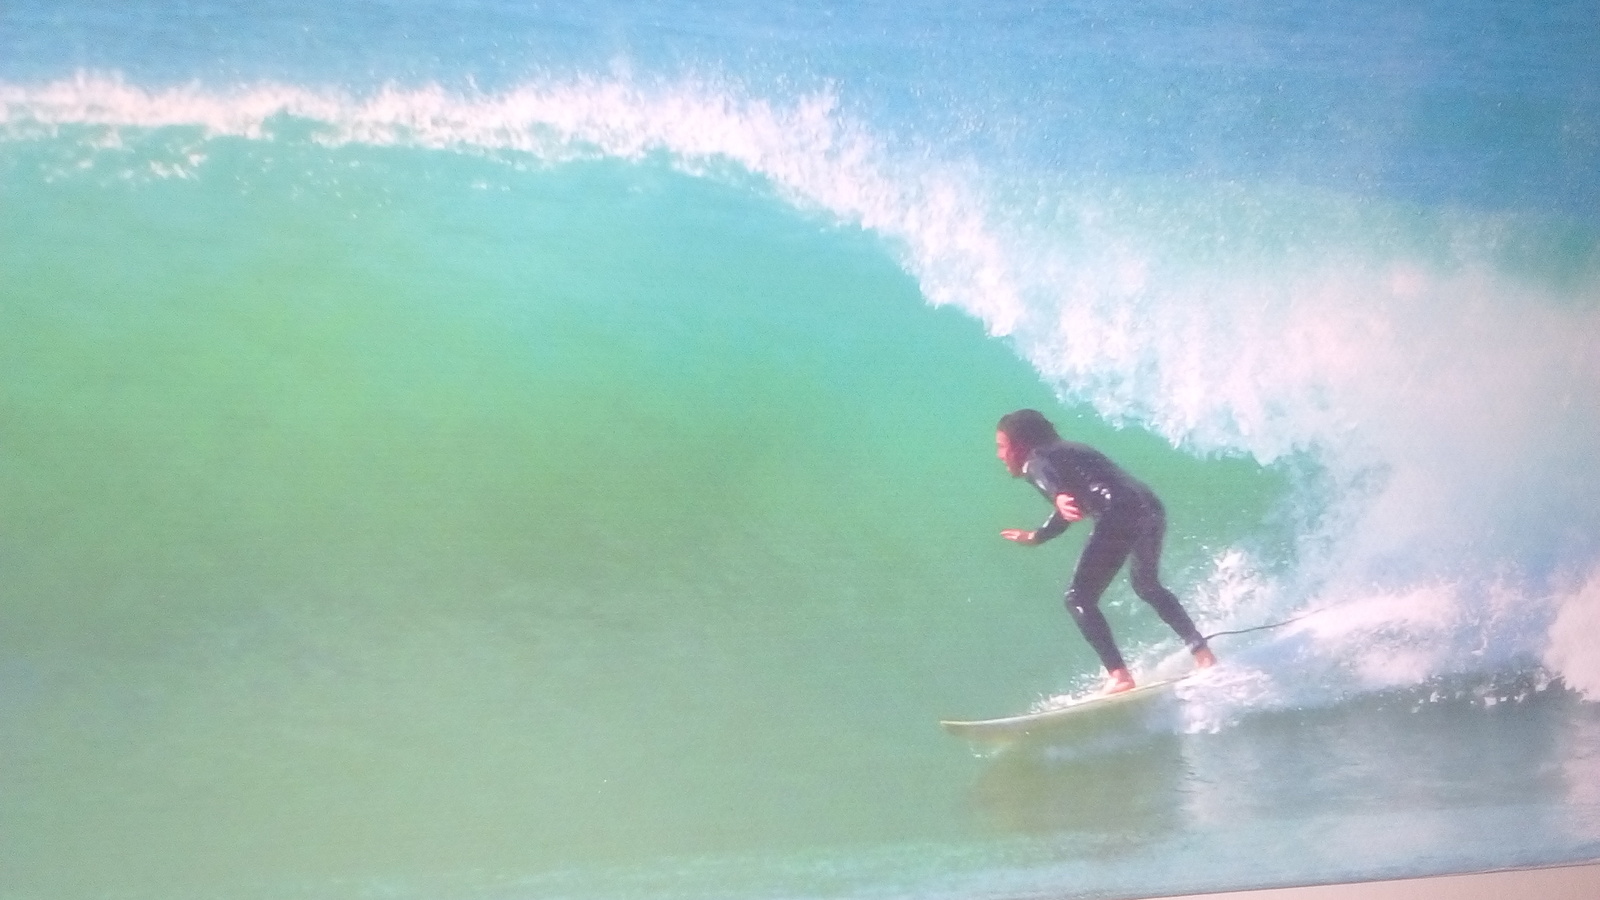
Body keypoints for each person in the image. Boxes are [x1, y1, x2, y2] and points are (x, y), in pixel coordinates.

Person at [995, 409, 1216, 693]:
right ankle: (1202, 654)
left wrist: (1056, 494)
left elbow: (1043, 476)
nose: (1000, 455)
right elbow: (1070, 506)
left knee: (1078, 597)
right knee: (1147, 585)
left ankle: (1119, 676)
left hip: (1118, 512)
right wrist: (1038, 535)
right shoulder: (1069, 449)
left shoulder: (1035, 459)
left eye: (1002, 446)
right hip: (1149, 506)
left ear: (1020, 445)